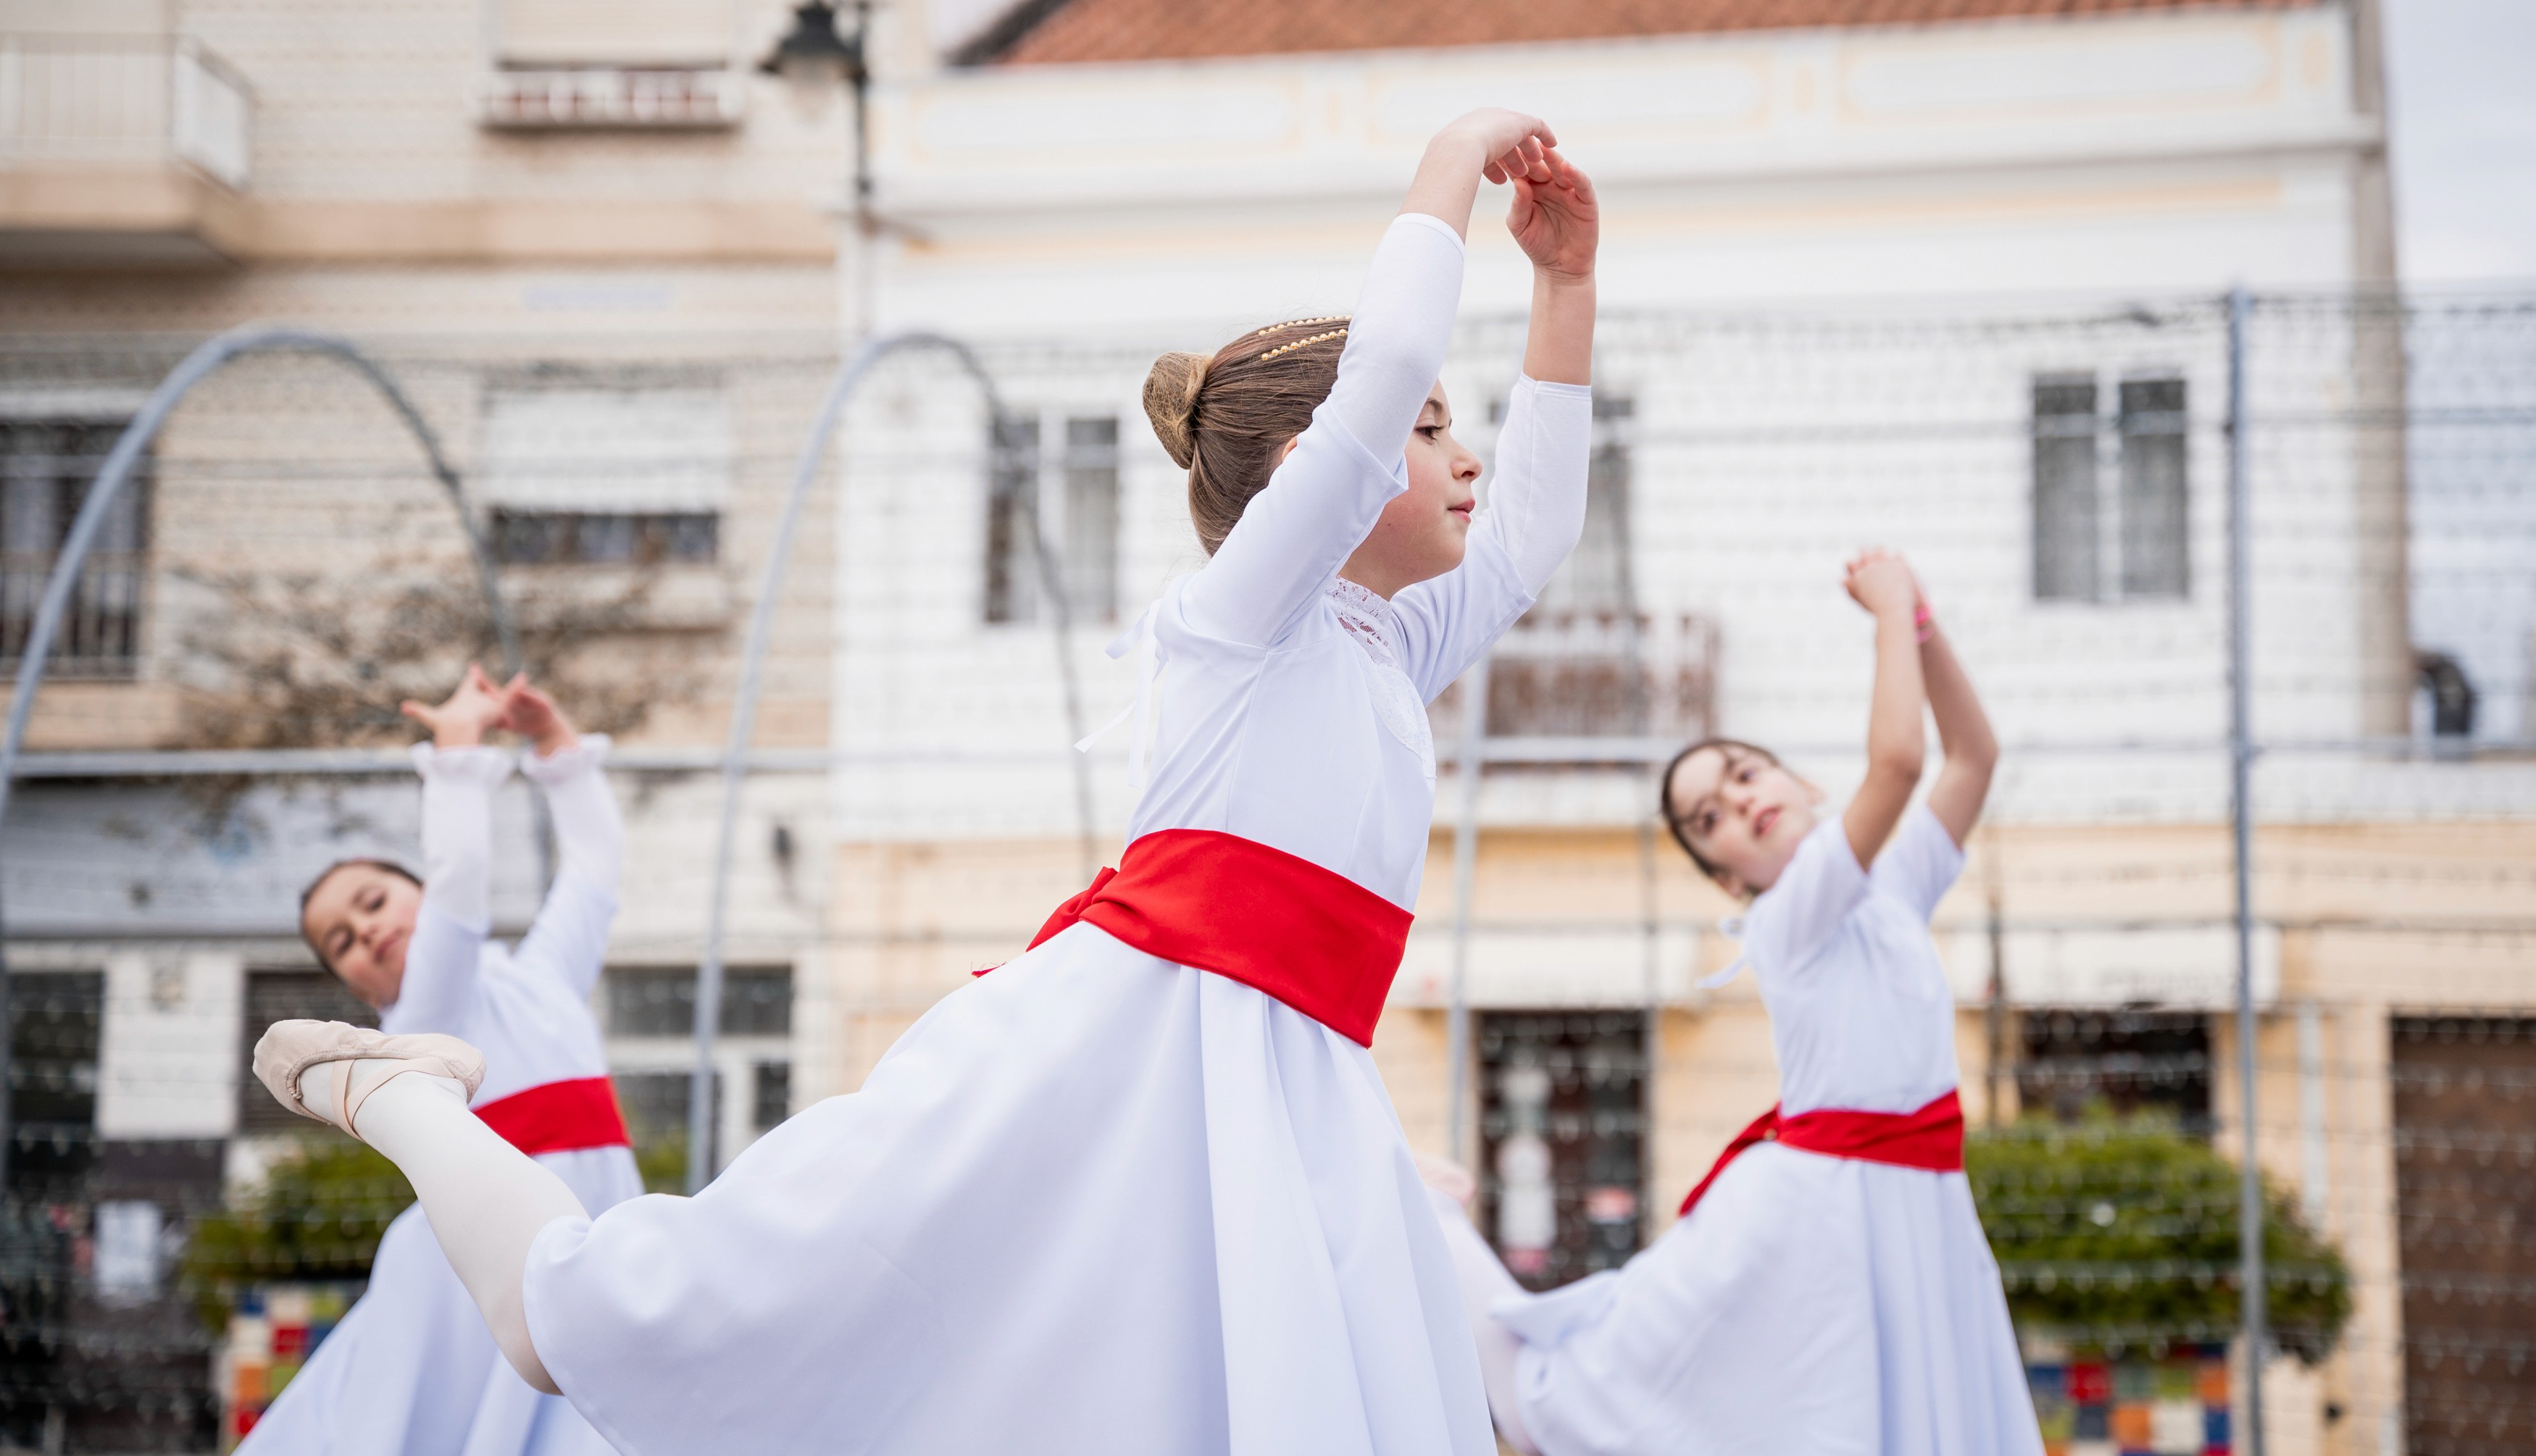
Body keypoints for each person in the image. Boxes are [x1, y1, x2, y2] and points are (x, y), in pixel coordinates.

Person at [244, 108, 1601, 1456]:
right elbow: (1372, 402)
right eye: (1429, 428)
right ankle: (406, 1098)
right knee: (609, 1320)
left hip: (1272, 1077)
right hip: (1105, 1063)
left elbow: (1533, 532)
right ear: (1319, 472)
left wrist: (1564, 285)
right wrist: (1443, 170)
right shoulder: (1236, 617)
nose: (1463, 452)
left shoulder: (1380, 637)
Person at [1422, 551, 2040, 1456]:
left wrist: (1921, 626)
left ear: (1804, 786)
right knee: (1551, 1396)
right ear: (1726, 877)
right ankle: (1426, 1214)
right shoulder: (1790, 915)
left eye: (1745, 775)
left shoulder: (1891, 887)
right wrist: (1888, 610)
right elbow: (1902, 761)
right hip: (1815, 1216)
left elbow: (1972, 756)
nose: (1737, 804)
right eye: (1708, 818)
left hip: (1915, 1200)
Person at [243, 667, 634, 1456]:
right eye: (342, 942)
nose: (365, 931)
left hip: (580, 1244)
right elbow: (458, 895)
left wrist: (554, 744)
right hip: (472, 1280)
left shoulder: (539, 978)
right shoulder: (420, 1022)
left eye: (374, 901)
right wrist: (456, 755)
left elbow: (593, 870)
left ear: (411, 889)